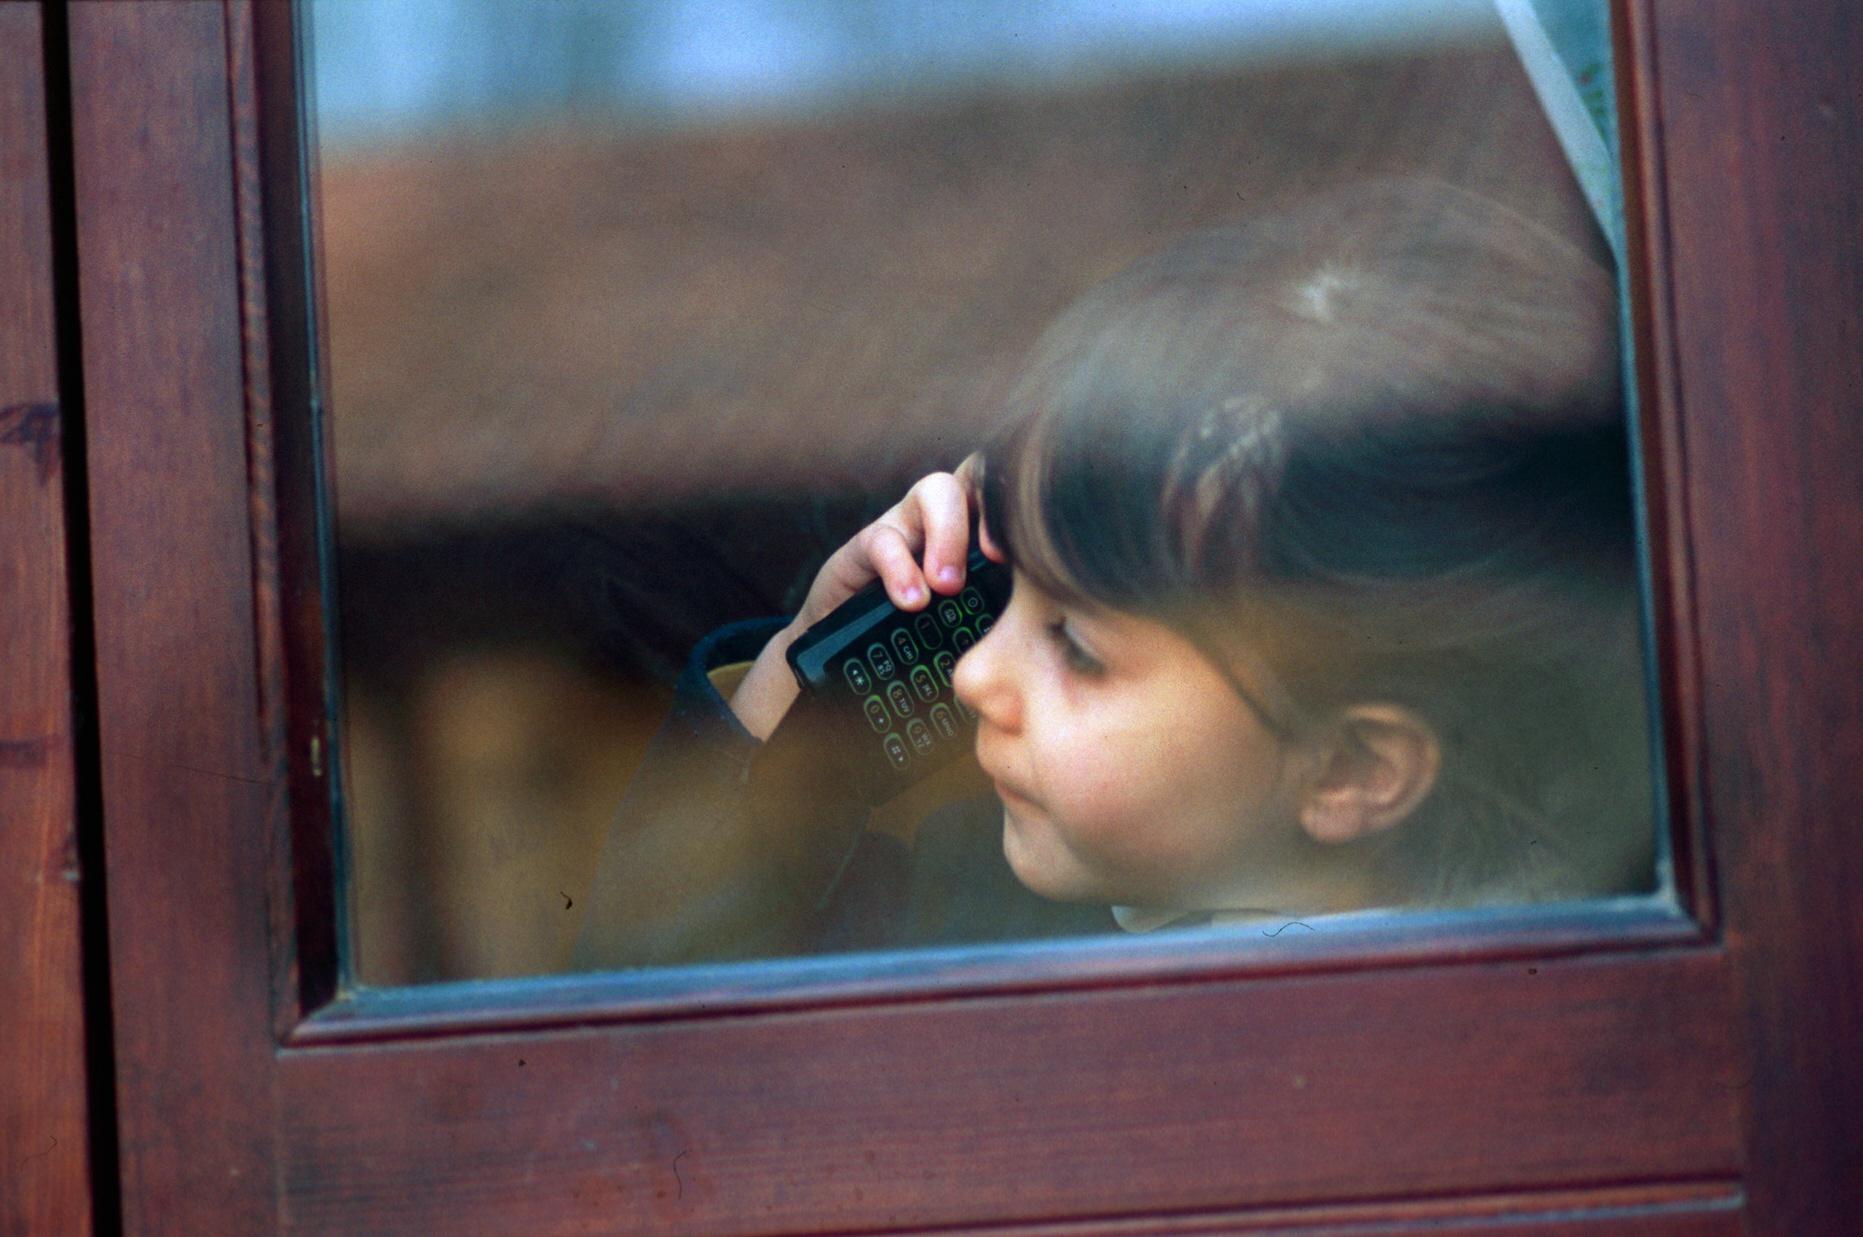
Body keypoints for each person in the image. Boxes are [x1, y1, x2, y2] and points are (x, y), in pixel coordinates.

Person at [572, 180, 1655, 971]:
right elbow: (644, 994)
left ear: (1353, 768)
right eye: (1010, 594)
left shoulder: (1024, 978)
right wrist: (796, 672)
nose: (970, 677)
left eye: (1077, 648)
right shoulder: (1009, 887)